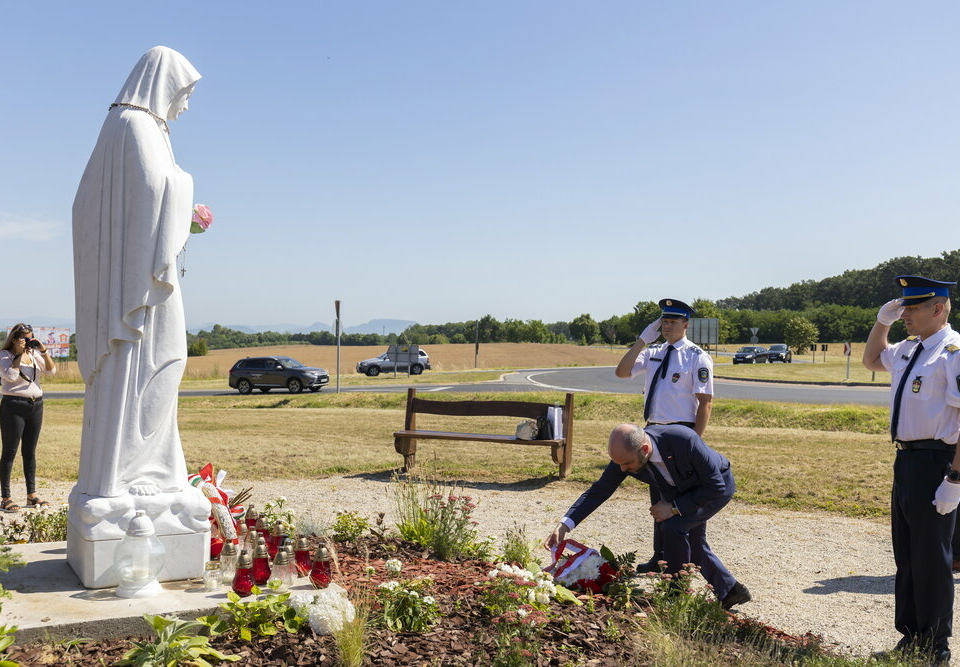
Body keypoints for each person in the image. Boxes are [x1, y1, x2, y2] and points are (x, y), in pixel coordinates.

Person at [72, 46, 202, 498]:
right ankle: (137, 471)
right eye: (184, 91)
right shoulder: (136, 124)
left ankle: (150, 468)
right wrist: (188, 195)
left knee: (170, 360)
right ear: (163, 84)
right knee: (168, 358)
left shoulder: (127, 126)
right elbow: (153, 190)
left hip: (138, 273)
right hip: (140, 285)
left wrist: (180, 212)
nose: (186, 103)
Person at [545, 423, 750, 610]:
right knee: (691, 541)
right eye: (619, 465)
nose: (623, 470)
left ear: (644, 449)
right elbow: (599, 490)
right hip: (681, 493)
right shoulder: (627, 456)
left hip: (713, 488)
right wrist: (565, 524)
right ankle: (731, 590)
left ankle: (675, 595)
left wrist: (674, 507)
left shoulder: (683, 440)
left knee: (673, 527)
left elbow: (715, 486)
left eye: (627, 464)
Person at [863, 275, 960, 664]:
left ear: (938, 309)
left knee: (932, 556)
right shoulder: (908, 348)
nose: (906, 315)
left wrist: (955, 478)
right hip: (906, 460)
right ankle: (912, 636)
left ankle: (935, 645)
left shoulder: (952, 353)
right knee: (906, 553)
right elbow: (871, 360)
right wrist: (881, 322)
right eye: (902, 307)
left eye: (913, 308)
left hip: (938, 462)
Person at [615, 299, 714, 572]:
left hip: (683, 432)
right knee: (659, 497)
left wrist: (696, 441)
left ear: (686, 324)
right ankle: (660, 557)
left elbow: (705, 402)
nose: (668, 326)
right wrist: (641, 340)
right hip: (653, 432)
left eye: (673, 321)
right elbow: (621, 372)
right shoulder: (653, 351)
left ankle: (692, 559)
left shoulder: (696, 357)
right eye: (664, 321)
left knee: (684, 500)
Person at [0, 323, 56, 512]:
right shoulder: (5, 356)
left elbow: (51, 371)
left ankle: (31, 496)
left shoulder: (34, 355)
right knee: (9, 452)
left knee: (30, 452)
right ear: (15, 339)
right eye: (24, 338)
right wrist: (18, 355)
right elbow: (11, 376)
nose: (27, 342)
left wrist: (43, 350)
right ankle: (6, 497)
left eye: (30, 338)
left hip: (35, 405)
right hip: (13, 406)